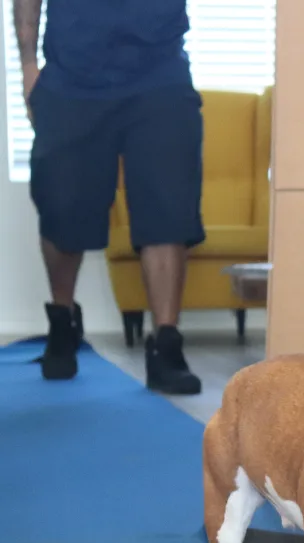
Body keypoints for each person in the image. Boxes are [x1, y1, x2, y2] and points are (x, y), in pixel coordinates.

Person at [14, 0, 204, 395]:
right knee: (61, 206)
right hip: (71, 76)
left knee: (168, 206)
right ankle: (62, 321)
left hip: (159, 73)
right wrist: (28, 65)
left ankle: (166, 345)